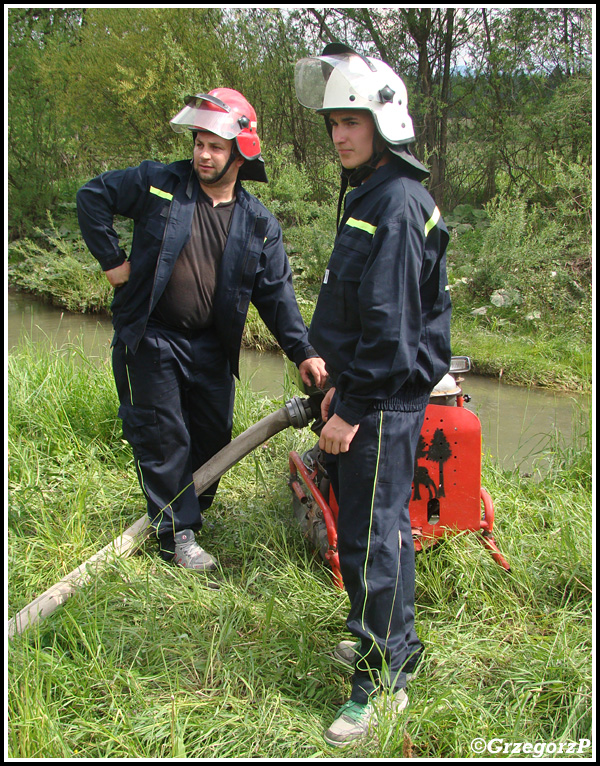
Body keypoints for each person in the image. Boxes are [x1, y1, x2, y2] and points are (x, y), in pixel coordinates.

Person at [77, 88, 327, 570]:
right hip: (152, 336)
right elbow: (93, 197)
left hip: (211, 346)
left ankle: (186, 514)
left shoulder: (258, 224)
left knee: (212, 435)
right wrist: (113, 261)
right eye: (198, 142)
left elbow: (276, 297)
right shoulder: (159, 183)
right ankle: (177, 535)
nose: (203, 153)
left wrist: (304, 352)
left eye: (215, 145)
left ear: (240, 151)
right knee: (164, 435)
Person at [294, 44, 452, 746]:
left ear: (385, 120)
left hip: (380, 405)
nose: (339, 135)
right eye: (332, 123)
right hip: (365, 393)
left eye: (351, 121)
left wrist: (349, 411)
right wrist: (333, 384)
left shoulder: (395, 203)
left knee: (368, 543)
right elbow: (363, 316)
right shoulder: (374, 193)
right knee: (382, 534)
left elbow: (390, 331)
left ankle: (381, 687)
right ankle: (391, 646)